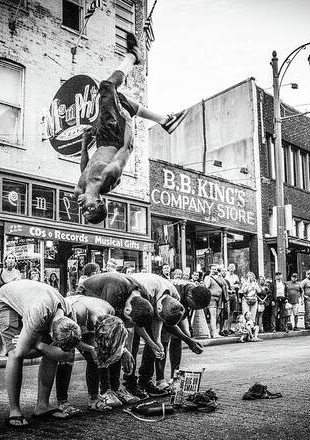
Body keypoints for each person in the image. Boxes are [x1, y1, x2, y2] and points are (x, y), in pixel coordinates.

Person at [74, 33, 187, 224]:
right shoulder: (108, 178)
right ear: (100, 203)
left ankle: (164, 120)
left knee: (121, 101)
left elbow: (85, 167)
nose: (82, 208)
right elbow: (127, 148)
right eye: (89, 209)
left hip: (101, 138)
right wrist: (129, 123)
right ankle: (132, 56)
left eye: (83, 211)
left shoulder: (80, 188)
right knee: (107, 88)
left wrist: (85, 142)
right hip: (115, 137)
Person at [0, 279, 88, 428]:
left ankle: (42, 406)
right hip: (6, 300)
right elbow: (22, 351)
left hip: (36, 299)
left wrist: (38, 343)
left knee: (49, 351)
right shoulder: (38, 313)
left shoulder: (70, 317)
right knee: (14, 353)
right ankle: (14, 411)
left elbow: (64, 355)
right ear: (50, 331)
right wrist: (45, 346)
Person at [76, 272, 156, 399]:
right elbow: (106, 332)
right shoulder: (114, 291)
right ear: (128, 310)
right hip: (86, 298)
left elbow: (129, 328)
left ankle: (115, 388)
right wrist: (122, 349)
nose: (129, 324)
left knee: (118, 345)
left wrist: (148, 343)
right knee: (103, 347)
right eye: (130, 320)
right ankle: (105, 391)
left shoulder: (142, 296)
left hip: (108, 306)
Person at [55, 295, 137, 415]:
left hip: (89, 324)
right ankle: (62, 402)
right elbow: (67, 338)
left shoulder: (110, 314)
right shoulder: (78, 312)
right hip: (68, 324)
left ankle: (94, 399)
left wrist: (123, 350)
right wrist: (90, 348)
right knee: (66, 358)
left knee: (95, 357)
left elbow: (114, 336)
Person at [128, 272, 204, 397]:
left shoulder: (174, 297)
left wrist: (157, 341)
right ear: (158, 309)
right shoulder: (145, 290)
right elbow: (136, 324)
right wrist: (152, 342)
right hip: (133, 300)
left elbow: (164, 322)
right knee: (133, 345)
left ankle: (144, 381)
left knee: (155, 343)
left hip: (152, 301)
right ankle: (130, 384)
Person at [204, 264, 227, 338]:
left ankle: (213, 331)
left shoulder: (218, 277)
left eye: (216, 269)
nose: (215, 270)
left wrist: (219, 276)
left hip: (219, 298)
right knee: (213, 316)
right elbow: (206, 286)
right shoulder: (208, 277)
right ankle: (214, 333)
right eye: (213, 269)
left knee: (216, 316)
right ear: (210, 269)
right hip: (212, 298)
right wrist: (209, 277)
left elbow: (224, 284)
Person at [223, 263, 240, 334]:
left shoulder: (236, 276)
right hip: (227, 295)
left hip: (234, 295)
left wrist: (235, 287)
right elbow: (224, 285)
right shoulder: (226, 276)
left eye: (233, 267)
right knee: (227, 312)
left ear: (235, 268)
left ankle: (229, 328)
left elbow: (238, 285)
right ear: (228, 268)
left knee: (232, 312)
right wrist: (231, 287)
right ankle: (224, 328)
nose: (231, 268)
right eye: (230, 266)